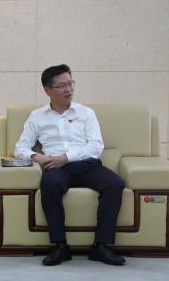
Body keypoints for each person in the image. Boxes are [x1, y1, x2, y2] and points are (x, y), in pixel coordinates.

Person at [14, 64, 127, 266]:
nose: (69, 90)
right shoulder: (37, 117)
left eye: (71, 84)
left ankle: (101, 246)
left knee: (115, 184)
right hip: (56, 168)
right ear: (48, 90)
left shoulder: (86, 113)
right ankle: (60, 246)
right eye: (62, 86)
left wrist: (66, 157)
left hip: (87, 165)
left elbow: (96, 146)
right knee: (49, 184)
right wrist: (37, 157)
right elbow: (20, 148)